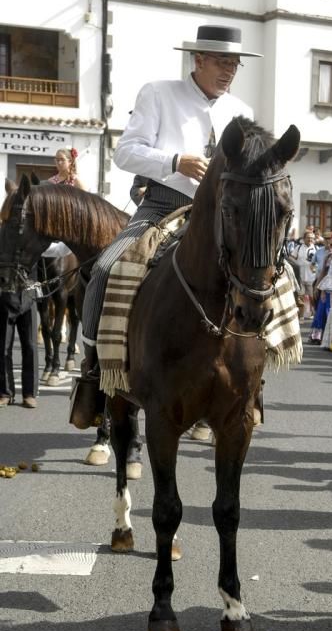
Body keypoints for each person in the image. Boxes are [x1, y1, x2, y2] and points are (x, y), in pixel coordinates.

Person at [79, 24, 261, 440]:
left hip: (218, 216)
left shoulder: (241, 109)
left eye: (234, 63)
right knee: (106, 269)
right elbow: (126, 151)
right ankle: (92, 372)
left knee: (268, 278)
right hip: (162, 204)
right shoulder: (158, 93)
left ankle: (251, 384)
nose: (229, 70)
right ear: (197, 60)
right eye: (221, 61)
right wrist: (173, 161)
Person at [0, 287, 38, 408]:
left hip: (29, 295)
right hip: (5, 296)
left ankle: (29, 394)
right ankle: (6, 393)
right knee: (3, 347)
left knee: (30, 346)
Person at [291, 230, 316, 319]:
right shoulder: (298, 247)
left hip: (311, 277)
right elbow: (292, 258)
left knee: (312, 296)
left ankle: (313, 312)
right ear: (304, 238)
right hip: (300, 276)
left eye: (312, 238)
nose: (310, 239)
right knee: (300, 295)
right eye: (308, 237)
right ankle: (301, 314)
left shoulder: (316, 248)